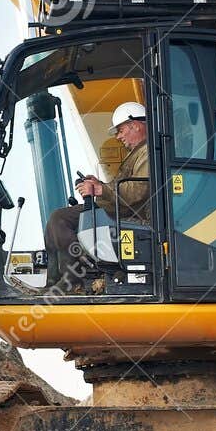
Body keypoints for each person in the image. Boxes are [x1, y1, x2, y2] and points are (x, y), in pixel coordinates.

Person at [44, 101, 150, 290]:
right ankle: (54, 281)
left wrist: (101, 190)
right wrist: (100, 184)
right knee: (55, 221)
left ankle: (73, 280)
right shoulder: (138, 153)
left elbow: (140, 190)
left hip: (127, 215)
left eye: (120, 131)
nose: (118, 137)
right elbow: (127, 187)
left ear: (135, 125)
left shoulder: (147, 152)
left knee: (59, 219)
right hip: (117, 209)